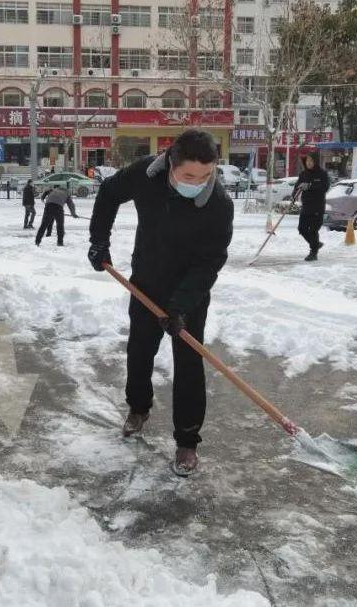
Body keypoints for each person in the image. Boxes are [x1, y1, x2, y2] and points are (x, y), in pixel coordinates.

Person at [87, 129, 233, 477]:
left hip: (189, 293)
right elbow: (109, 193)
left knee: (189, 363)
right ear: (171, 163)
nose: (197, 183)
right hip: (146, 284)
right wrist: (99, 241)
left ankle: (187, 441)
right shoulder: (146, 174)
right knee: (139, 351)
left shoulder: (218, 204)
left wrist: (180, 305)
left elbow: (211, 261)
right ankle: (138, 408)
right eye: (189, 176)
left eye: (205, 175)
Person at [291, 153, 330, 261]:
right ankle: (316, 244)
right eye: (307, 161)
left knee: (313, 230)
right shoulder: (303, 174)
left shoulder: (322, 174)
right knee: (302, 229)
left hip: (317, 207)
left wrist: (310, 186)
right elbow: (297, 187)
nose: (308, 163)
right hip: (306, 206)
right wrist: (293, 196)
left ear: (315, 162)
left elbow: (325, 187)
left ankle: (313, 252)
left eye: (311, 161)